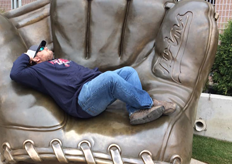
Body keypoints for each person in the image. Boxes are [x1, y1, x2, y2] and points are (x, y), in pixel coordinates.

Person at [10, 41, 177, 125]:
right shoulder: (37, 72)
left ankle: (135, 112)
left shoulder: (60, 60)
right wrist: (27, 54)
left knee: (128, 71)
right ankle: (148, 103)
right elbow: (16, 73)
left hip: (91, 88)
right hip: (81, 101)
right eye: (42, 49)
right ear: (36, 58)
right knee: (111, 78)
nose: (46, 48)